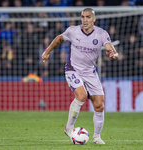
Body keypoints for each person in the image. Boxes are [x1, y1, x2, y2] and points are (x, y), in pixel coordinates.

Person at [42, 8, 118, 144]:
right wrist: (47, 52)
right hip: (73, 69)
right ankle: (69, 127)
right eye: (83, 17)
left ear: (94, 19)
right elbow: (60, 38)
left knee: (99, 105)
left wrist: (113, 55)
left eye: (88, 17)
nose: (85, 20)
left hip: (90, 72)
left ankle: (96, 137)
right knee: (81, 96)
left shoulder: (101, 33)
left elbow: (110, 48)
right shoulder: (73, 30)